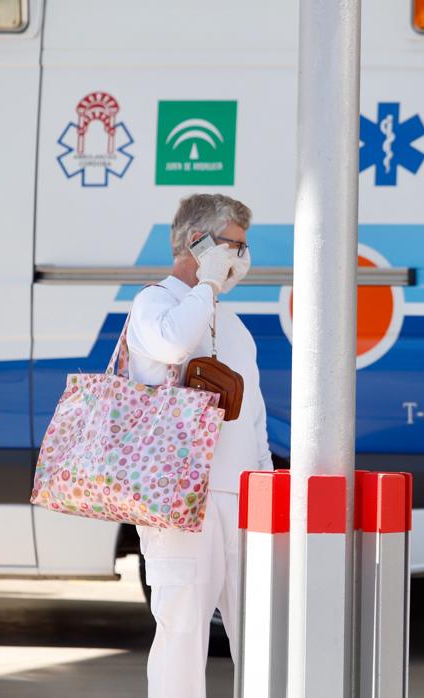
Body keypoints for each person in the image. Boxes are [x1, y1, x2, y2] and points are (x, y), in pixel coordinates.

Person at [129, 193, 272, 698]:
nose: (241, 258)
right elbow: (172, 345)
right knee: (182, 631)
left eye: (243, 247)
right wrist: (207, 284)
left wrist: (266, 488)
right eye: (232, 245)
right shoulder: (153, 304)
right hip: (178, 503)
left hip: (239, 500)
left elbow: (254, 418)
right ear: (197, 242)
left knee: (260, 634)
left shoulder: (234, 326)